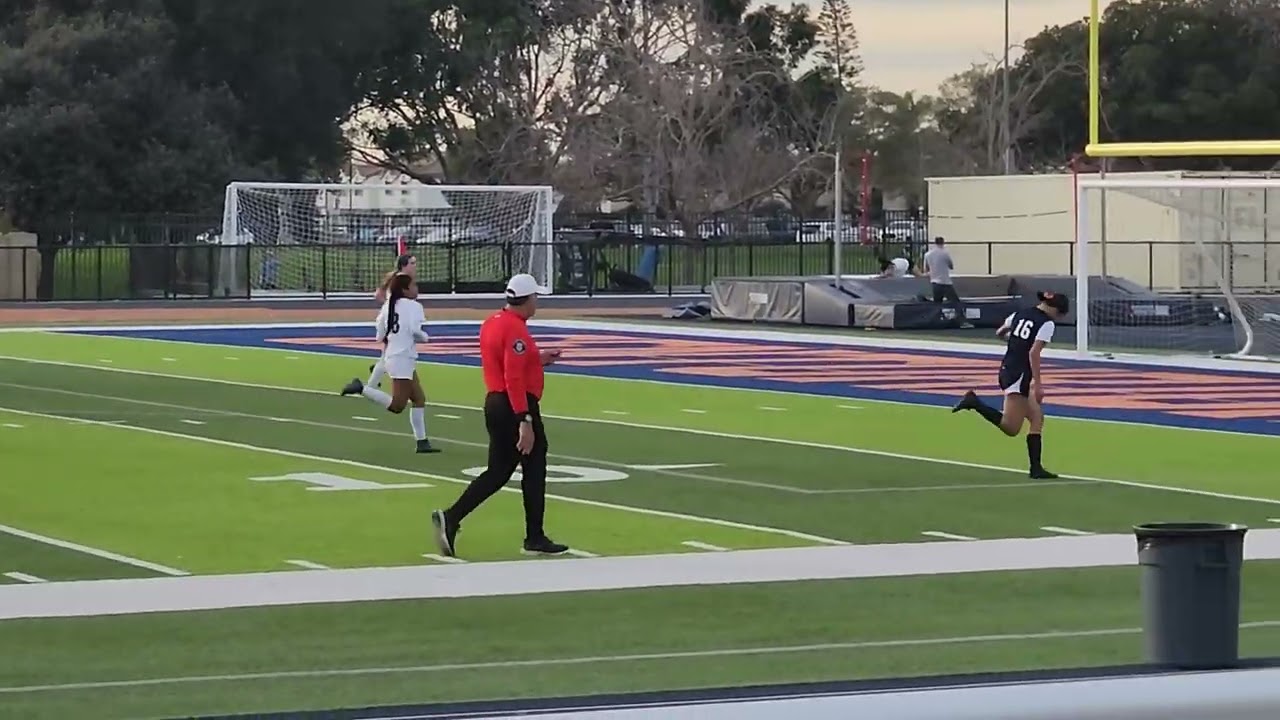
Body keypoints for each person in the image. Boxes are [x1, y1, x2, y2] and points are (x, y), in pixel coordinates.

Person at [430, 273, 569, 558]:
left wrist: (537, 358)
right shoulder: (516, 330)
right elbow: (513, 377)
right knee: (532, 464)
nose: (537, 303)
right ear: (528, 299)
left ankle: (454, 517)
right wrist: (525, 420)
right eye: (535, 298)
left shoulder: (493, 323)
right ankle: (532, 535)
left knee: (501, 471)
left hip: (495, 402)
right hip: (513, 404)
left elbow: (505, 362)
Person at [951, 291, 1070, 479]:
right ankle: (974, 403)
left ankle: (1036, 468)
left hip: (1008, 367)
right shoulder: (1046, 323)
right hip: (1019, 374)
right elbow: (1033, 353)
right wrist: (1038, 384)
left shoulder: (1019, 314)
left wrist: (1017, 343)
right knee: (1011, 427)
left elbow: (1000, 333)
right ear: (1055, 309)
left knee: (1037, 418)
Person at [340, 272, 439, 454]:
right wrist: (425, 337)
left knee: (419, 399)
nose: (417, 289)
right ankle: (361, 388)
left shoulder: (388, 305)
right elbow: (414, 331)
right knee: (397, 406)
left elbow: (380, 331)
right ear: (405, 289)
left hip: (397, 356)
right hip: (402, 358)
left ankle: (422, 441)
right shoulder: (414, 306)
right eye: (413, 285)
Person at [367, 254, 418, 389]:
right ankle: (370, 386)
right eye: (412, 263)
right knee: (388, 353)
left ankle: (372, 383)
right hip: (390, 322)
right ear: (404, 265)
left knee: (388, 354)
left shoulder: (406, 280)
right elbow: (378, 294)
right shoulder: (396, 280)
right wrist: (390, 307)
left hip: (397, 322)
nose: (415, 266)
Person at [923, 237, 973, 329]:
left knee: (937, 303)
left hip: (934, 282)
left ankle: (935, 321)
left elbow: (926, 269)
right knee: (955, 302)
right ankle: (962, 322)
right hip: (945, 282)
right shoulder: (945, 253)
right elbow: (951, 266)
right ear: (943, 243)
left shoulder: (928, 255)